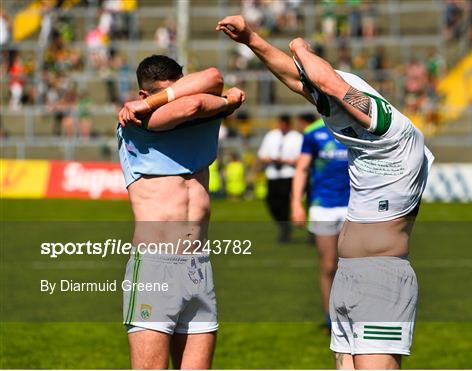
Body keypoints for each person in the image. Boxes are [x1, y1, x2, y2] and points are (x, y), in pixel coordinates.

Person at [217, 16, 433, 370]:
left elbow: (326, 81)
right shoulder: (359, 135)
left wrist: (300, 47)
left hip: (381, 277)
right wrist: (251, 39)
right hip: (349, 275)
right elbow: (299, 80)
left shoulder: (392, 130)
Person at [116, 55, 245, 369]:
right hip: (154, 266)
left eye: (181, 88)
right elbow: (194, 105)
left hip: (198, 265)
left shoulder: (161, 106)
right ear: (143, 97)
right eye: (163, 94)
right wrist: (227, 101)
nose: (182, 95)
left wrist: (221, 97)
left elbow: (213, 75)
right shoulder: (138, 121)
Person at [291, 117, 349, 331]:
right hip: (322, 206)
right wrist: (296, 203)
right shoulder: (314, 132)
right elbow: (302, 169)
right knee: (328, 264)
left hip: (353, 207)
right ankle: (330, 317)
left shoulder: (355, 127)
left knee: (355, 264)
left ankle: (353, 314)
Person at [257, 114, 303, 243]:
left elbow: (300, 158)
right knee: (271, 201)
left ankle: (286, 228)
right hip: (273, 174)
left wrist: (286, 161)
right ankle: (283, 224)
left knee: (284, 202)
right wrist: (271, 159)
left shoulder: (296, 137)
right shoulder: (271, 135)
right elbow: (262, 155)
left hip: (288, 174)